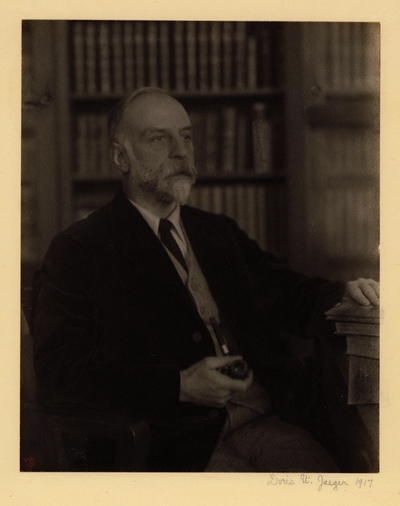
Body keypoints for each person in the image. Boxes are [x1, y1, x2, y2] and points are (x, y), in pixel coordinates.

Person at [32, 87, 379, 472]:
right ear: (120, 157)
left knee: (322, 480)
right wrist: (179, 385)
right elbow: (61, 373)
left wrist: (344, 292)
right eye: (159, 138)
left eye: (186, 136)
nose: (181, 151)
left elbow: (285, 292)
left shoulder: (217, 233)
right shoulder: (80, 249)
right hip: (172, 440)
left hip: (263, 418)